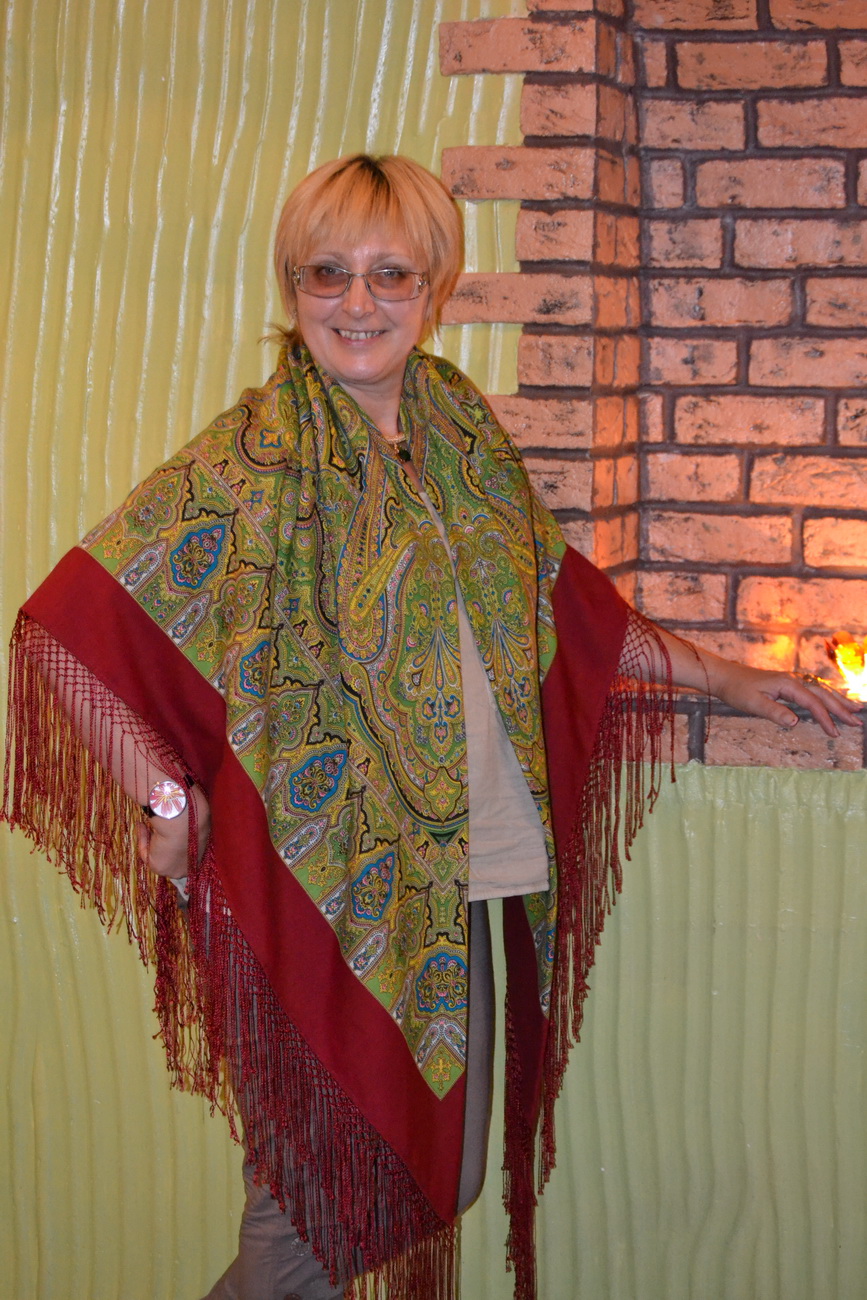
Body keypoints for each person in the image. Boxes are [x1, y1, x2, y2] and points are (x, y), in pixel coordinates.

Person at [2, 154, 860, 1300]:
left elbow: (563, 611)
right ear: (293, 287)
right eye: (328, 274)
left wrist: (730, 681)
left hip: (461, 875)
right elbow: (68, 629)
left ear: (435, 284)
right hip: (312, 884)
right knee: (311, 1217)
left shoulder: (455, 427)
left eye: (391, 274)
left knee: (434, 1178)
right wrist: (167, 797)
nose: (358, 303)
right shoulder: (255, 455)